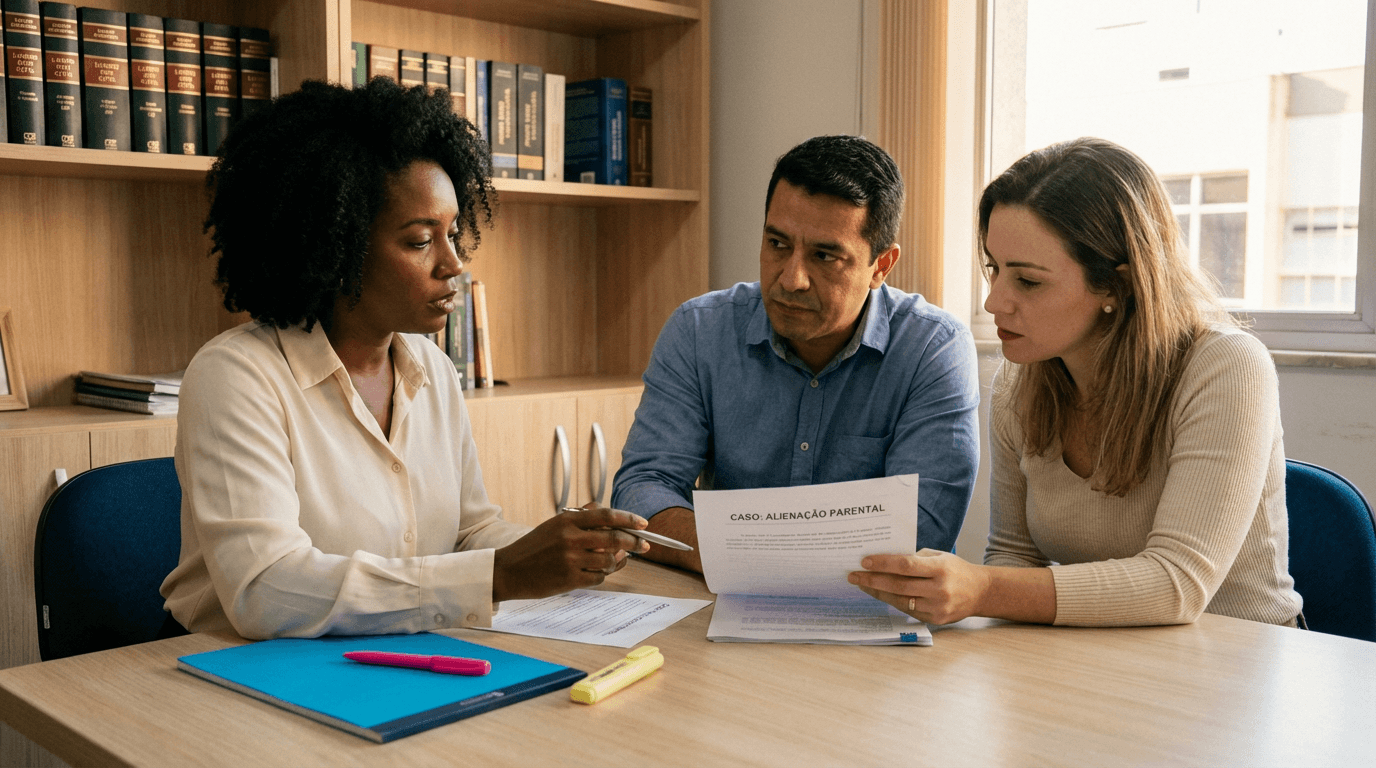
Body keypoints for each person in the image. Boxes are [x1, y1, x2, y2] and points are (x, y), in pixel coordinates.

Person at [160, 78, 647, 639]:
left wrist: (563, 549)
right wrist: (500, 575)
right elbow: (266, 590)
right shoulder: (237, 377)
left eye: (454, 234)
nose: (453, 264)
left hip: (391, 659)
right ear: (335, 246)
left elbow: (467, 533)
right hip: (240, 677)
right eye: (420, 241)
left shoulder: (431, 369)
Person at [850, 137, 1303, 628]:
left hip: (1244, 667)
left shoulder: (1227, 367)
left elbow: (1177, 585)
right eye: (993, 269)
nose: (993, 303)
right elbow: (1013, 554)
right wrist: (986, 591)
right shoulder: (1017, 384)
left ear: (1116, 284)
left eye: (1028, 281)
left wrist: (981, 588)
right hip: (1108, 660)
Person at [612, 135, 981, 572]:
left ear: (881, 266)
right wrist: (765, 557)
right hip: (724, 607)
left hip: (874, 616)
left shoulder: (932, 349)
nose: (792, 279)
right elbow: (643, 491)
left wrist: (738, 551)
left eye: (825, 256)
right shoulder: (699, 330)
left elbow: (922, 533)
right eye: (778, 244)